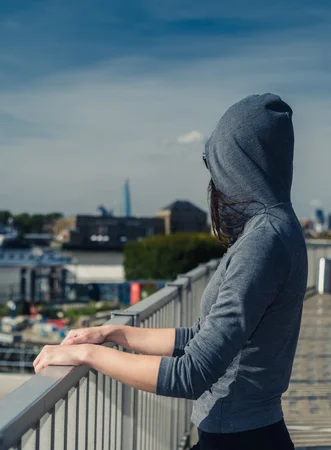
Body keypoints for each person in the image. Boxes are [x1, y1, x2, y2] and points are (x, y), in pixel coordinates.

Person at [33, 93, 308, 450]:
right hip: (246, 433)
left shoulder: (263, 241)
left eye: (220, 167)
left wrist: (88, 355)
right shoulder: (278, 228)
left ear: (238, 165)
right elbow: (202, 336)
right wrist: (115, 333)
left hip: (239, 439)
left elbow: (192, 373)